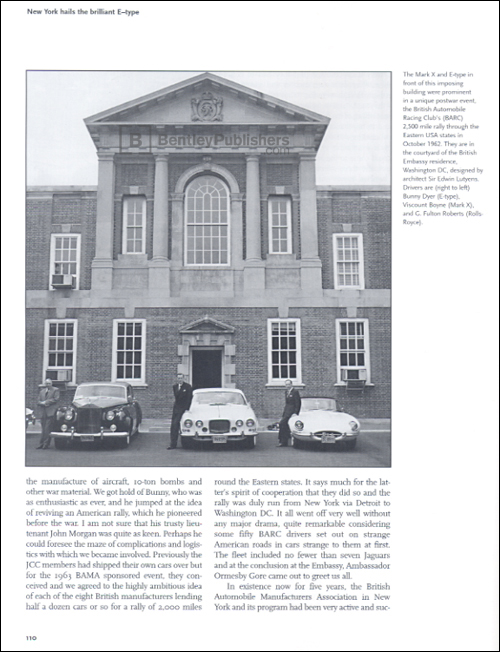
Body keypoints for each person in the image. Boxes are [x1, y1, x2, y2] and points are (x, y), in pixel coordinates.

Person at [168, 373, 193, 450]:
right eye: (178, 378)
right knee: (173, 426)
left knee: (179, 424)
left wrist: (187, 409)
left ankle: (185, 443)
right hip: (176, 408)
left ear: (183, 379)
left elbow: (189, 399)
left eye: (181, 378)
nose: (179, 380)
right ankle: (173, 444)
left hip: (183, 408)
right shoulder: (175, 387)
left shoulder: (188, 387)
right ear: (176, 379)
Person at [37, 378, 60, 449]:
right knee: (43, 428)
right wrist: (41, 403)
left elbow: (56, 399)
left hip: (51, 412)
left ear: (51, 384)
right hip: (43, 412)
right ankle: (41, 443)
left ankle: (46, 444)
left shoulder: (56, 390)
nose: (48, 385)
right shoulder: (42, 391)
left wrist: (46, 402)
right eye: (46, 383)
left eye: (49, 383)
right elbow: (38, 400)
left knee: (47, 428)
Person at [277, 379, 301, 447]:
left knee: (282, 423)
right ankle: (284, 441)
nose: (287, 386)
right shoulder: (286, 392)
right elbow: (287, 403)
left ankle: (283, 441)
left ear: (291, 384)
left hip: (292, 412)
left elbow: (298, 403)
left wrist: (295, 413)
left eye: (288, 384)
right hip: (287, 411)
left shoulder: (295, 392)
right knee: (284, 425)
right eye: (286, 384)